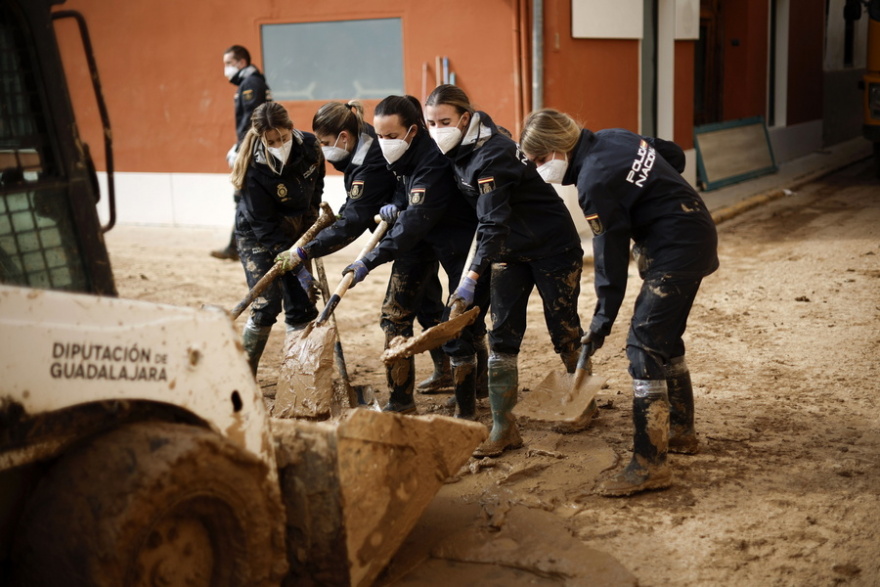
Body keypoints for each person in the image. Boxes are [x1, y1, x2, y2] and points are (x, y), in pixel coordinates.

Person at [520, 108, 719, 497]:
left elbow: (610, 256)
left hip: (677, 247)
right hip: (691, 228)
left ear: (560, 148)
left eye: (540, 159)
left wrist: (602, 319)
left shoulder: (594, 181)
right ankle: (679, 431)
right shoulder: (615, 136)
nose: (538, 168)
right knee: (664, 338)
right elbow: (673, 155)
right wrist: (655, 200)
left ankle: (649, 464)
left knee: (642, 346)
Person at [424, 85, 585, 458]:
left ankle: (583, 402)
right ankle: (504, 426)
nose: (437, 129)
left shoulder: (493, 154)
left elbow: (493, 224)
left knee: (563, 329)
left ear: (465, 119)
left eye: (445, 121)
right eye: (430, 122)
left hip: (551, 247)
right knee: (503, 335)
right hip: (508, 252)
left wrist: (470, 280)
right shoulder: (455, 150)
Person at [277, 100, 454, 394]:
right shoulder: (367, 137)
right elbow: (360, 204)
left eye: (325, 142)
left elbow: (354, 220)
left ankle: (401, 399)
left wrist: (306, 250)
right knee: (428, 303)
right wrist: (395, 201)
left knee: (395, 315)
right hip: (408, 230)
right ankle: (447, 371)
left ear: (344, 137)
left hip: (411, 235)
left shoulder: (371, 158)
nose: (322, 149)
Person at [340, 95, 489, 417]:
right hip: (416, 242)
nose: (384, 143)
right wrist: (395, 201)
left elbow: (416, 218)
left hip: (454, 240)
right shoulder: (396, 153)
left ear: (412, 130)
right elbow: (403, 189)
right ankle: (401, 400)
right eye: (379, 136)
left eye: (391, 136)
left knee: (461, 320)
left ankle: (471, 400)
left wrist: (371, 258)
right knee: (395, 314)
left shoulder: (434, 156)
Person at [230, 102, 324, 375]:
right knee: (266, 304)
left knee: (303, 305)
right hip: (258, 235)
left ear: (291, 129)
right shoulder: (253, 167)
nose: (278, 144)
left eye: (282, 138)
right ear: (260, 138)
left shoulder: (310, 146)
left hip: (298, 229)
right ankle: (244, 377)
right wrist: (292, 261)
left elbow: (317, 184)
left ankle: (300, 380)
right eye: (271, 141)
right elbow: (263, 225)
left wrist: (309, 225)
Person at [212, 45, 271, 261]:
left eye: (229, 63)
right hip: (253, 148)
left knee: (244, 195)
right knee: (243, 197)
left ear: (241, 63)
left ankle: (237, 246)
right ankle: (235, 245)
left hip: (252, 150)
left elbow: (252, 119)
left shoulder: (251, 83)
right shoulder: (252, 82)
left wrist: (241, 148)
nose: (226, 69)